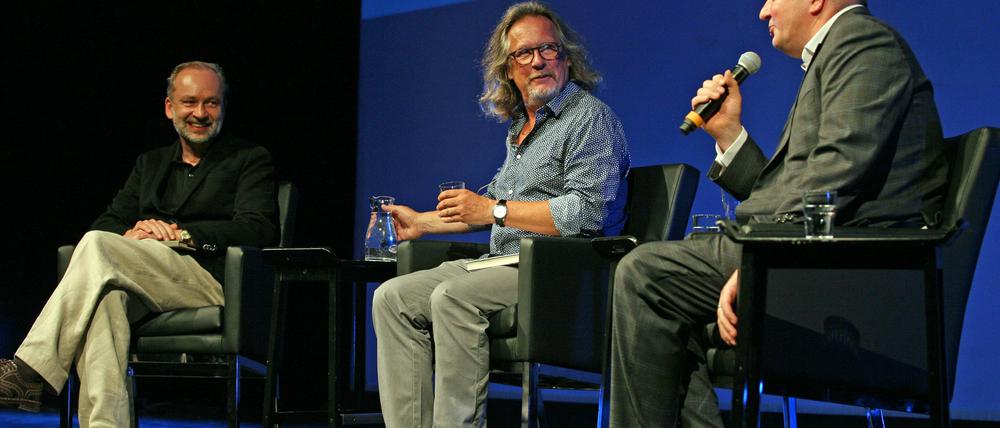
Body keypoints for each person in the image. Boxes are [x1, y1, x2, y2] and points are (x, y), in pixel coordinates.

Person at [609, 0, 947, 426]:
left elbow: (837, 173)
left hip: (855, 277)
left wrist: (763, 254)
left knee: (647, 275)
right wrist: (729, 134)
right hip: (819, 253)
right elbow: (791, 189)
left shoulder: (864, 43)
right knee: (665, 280)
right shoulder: (839, 52)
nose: (763, 11)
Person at [371, 2, 630, 426]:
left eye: (549, 49)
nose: (539, 61)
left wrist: (495, 209)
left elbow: (586, 212)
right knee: (392, 298)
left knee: (451, 297)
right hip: (504, 265)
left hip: (559, 270)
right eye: (524, 53)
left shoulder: (590, 119)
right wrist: (420, 222)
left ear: (566, 58)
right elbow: (489, 209)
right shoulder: (521, 130)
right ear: (508, 69)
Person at [0, 61, 278, 426]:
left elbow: (257, 229)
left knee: (98, 245)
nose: (200, 113)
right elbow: (107, 222)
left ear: (222, 108)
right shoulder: (151, 164)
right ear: (170, 108)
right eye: (190, 102)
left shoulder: (248, 159)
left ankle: (29, 370)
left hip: (209, 279)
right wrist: (134, 232)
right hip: (147, 278)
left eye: (211, 103)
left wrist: (180, 234)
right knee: (105, 301)